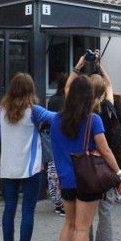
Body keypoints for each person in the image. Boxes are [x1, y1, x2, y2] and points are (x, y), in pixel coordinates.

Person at [50, 73, 121, 241]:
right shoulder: (93, 119)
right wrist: (119, 174)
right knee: (82, 229)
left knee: (69, 223)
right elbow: (105, 151)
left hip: (66, 179)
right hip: (86, 179)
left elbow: (56, 151)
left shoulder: (56, 120)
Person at [0, 73, 56, 241]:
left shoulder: (1, 110)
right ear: (31, 90)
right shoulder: (35, 111)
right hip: (31, 169)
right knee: (28, 210)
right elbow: (57, 118)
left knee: (9, 208)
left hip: (8, 167)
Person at [88, 58, 121, 241]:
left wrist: (81, 66)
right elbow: (110, 83)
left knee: (84, 210)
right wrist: (99, 64)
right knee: (105, 208)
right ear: (102, 91)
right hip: (105, 165)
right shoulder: (108, 108)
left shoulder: (81, 111)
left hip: (85, 165)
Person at [47, 74, 68, 216]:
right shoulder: (69, 101)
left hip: (53, 138)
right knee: (65, 170)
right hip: (66, 138)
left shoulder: (53, 100)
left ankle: (57, 201)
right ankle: (65, 203)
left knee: (54, 169)